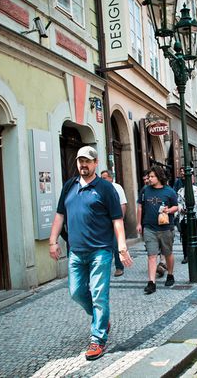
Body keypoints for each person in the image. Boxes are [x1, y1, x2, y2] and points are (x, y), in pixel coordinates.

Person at [49, 146, 132, 361]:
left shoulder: (105, 188)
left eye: (87, 161)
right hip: (76, 252)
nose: (83, 165)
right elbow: (60, 214)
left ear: (96, 163)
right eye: (80, 161)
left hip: (100, 251)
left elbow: (117, 219)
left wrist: (122, 247)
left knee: (99, 295)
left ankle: (98, 339)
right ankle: (101, 319)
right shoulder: (69, 185)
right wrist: (52, 241)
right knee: (76, 292)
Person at [137, 166, 179, 294]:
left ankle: (170, 275)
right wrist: (139, 223)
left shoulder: (169, 191)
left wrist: (168, 210)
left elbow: (176, 207)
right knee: (151, 255)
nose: (149, 179)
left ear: (159, 177)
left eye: (152, 177)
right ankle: (151, 282)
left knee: (168, 253)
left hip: (166, 228)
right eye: (148, 177)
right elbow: (140, 207)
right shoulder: (145, 190)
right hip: (149, 228)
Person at [100, 170, 128, 277]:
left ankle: (119, 267)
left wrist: (120, 219)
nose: (102, 180)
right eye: (101, 177)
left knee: (117, 245)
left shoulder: (117, 187)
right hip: (103, 222)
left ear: (110, 178)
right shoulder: (100, 188)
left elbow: (123, 204)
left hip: (115, 221)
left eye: (104, 178)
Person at [177, 175, 197, 264]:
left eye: (190, 178)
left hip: (196, 215)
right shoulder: (180, 191)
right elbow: (178, 202)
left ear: (193, 180)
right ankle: (186, 255)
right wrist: (180, 209)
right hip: (185, 216)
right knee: (184, 236)